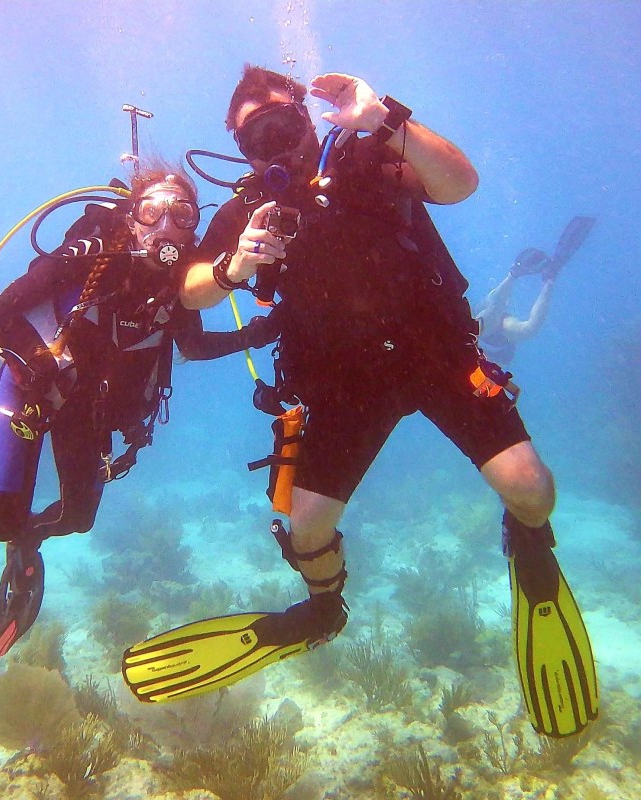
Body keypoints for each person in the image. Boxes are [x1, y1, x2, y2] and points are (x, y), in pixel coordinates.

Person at [121, 67, 598, 738]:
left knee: (533, 490)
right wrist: (235, 264)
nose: (275, 143)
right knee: (306, 529)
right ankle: (323, 609)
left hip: (435, 353)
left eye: (284, 123)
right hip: (343, 384)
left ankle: (528, 539)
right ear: (240, 144)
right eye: (257, 135)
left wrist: (385, 119)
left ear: (308, 119)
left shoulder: (368, 152)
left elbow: (460, 183)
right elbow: (192, 289)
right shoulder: (246, 209)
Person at [0, 164, 275, 672]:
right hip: (31, 389)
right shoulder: (93, 251)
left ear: (194, 226)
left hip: (85, 405)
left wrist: (252, 336)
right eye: (152, 210)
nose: (165, 225)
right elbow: (10, 301)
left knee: (77, 518)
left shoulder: (178, 285)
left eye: (181, 214)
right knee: (1, 517)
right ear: (132, 216)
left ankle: (25, 543)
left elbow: (194, 344)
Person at [476, 216, 596, 363]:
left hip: (483, 332)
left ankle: (515, 274)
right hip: (492, 340)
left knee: (488, 318)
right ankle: (545, 279)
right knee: (524, 328)